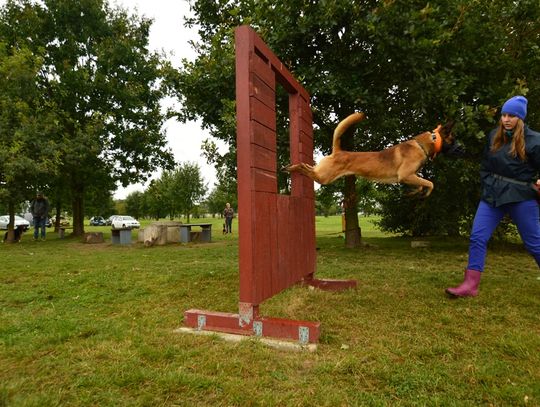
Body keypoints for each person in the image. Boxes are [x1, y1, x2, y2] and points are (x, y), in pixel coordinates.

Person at [446, 96, 540, 298]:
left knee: (534, 244)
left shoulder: (534, 140)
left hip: (520, 197)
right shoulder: (493, 136)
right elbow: (486, 166)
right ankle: (470, 285)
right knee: (478, 237)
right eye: (504, 115)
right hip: (492, 196)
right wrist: (487, 183)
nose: (506, 119)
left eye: (512, 116)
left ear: (520, 118)